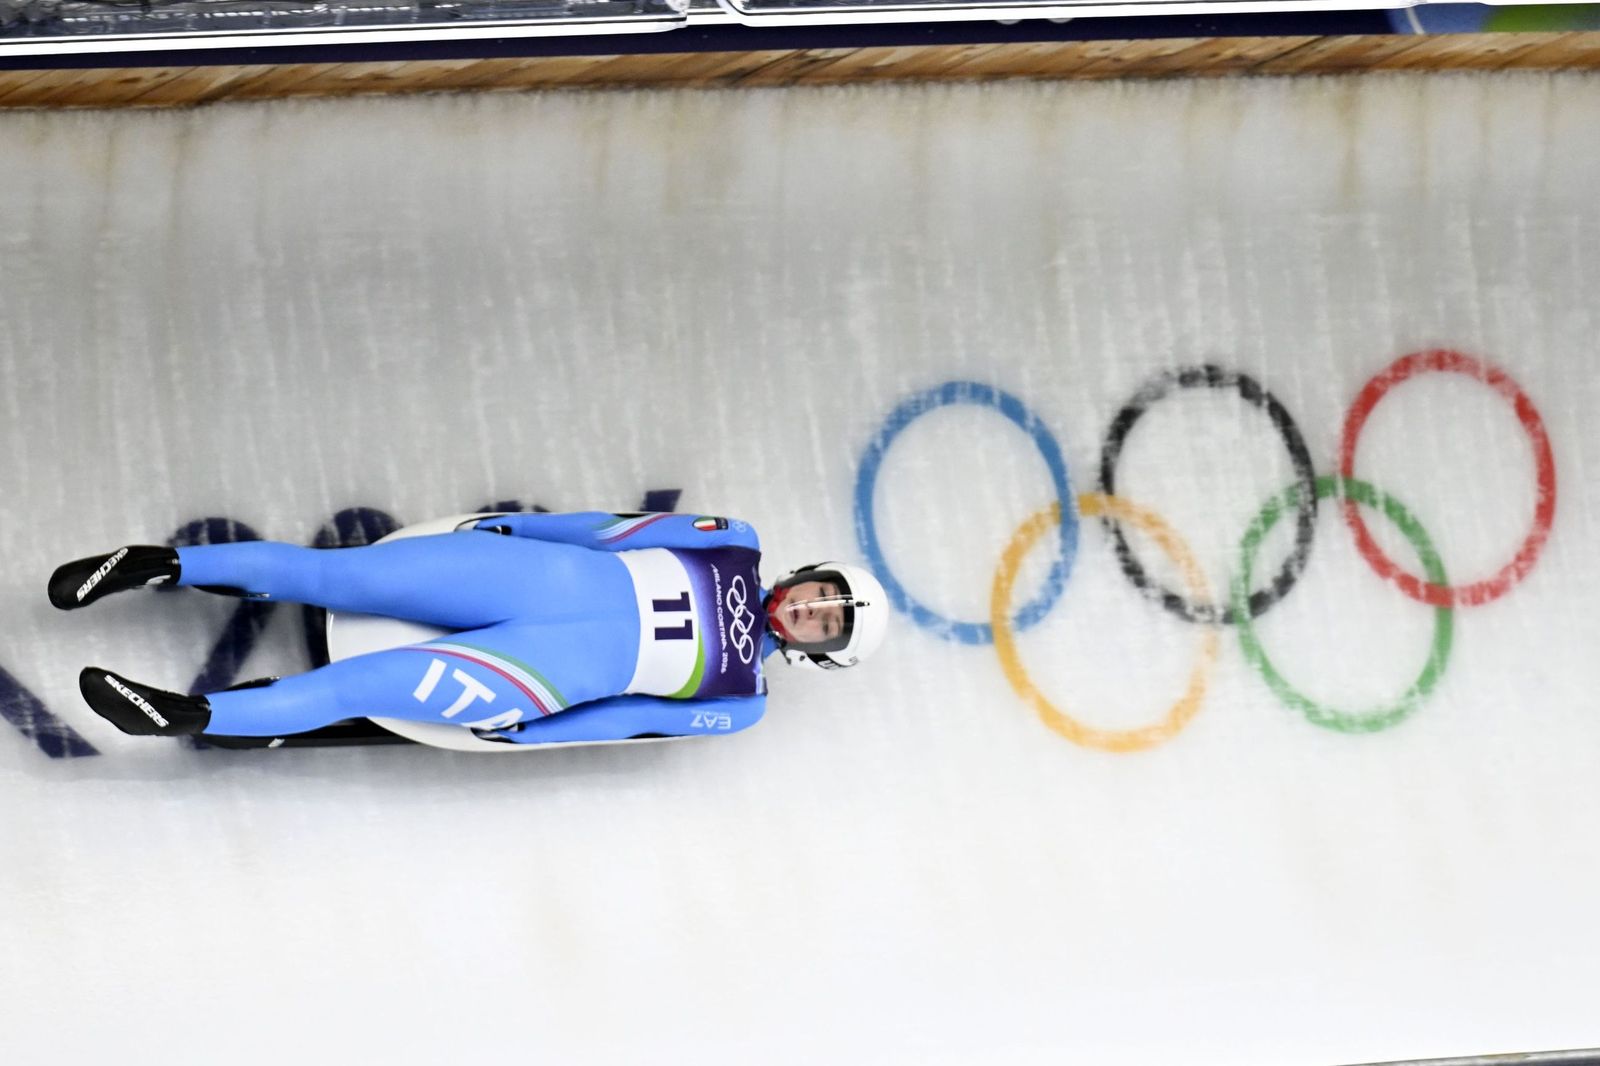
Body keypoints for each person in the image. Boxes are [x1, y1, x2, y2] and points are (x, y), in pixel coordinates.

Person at [48, 511, 888, 745]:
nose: (808, 610)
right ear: (803, 574)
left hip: (540, 673)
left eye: (822, 626)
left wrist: (533, 734)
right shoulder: (730, 541)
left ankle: (188, 716)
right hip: (534, 573)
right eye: (820, 593)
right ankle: (159, 566)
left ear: (815, 655)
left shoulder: (740, 703)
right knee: (342, 574)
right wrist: (520, 532)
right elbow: (613, 531)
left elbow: (629, 721)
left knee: (367, 688)